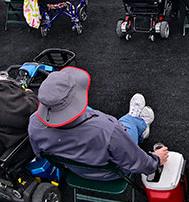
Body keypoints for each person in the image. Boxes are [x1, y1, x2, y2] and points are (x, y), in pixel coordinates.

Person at [28, 68, 166, 181]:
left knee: (91, 113)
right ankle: (139, 122)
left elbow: (40, 154)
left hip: (76, 170)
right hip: (110, 173)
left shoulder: (34, 124)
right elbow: (136, 161)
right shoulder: (105, 129)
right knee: (127, 123)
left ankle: (137, 125)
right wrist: (156, 160)